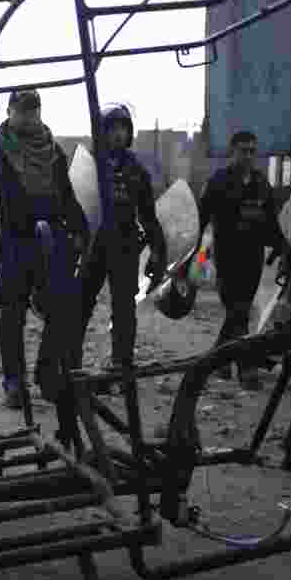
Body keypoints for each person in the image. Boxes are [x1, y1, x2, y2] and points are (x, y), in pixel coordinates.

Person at [0, 89, 88, 409]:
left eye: (33, 110)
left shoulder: (53, 151)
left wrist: (80, 231)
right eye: (21, 110)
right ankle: (14, 382)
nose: (27, 116)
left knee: (62, 309)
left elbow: (67, 197)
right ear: (9, 111)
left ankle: (48, 377)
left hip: (53, 239)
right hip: (15, 239)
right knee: (12, 312)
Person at [69, 104, 166, 391]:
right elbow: (74, 208)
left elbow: (148, 215)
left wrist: (158, 251)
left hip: (124, 246)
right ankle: (72, 364)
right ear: (102, 132)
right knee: (80, 306)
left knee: (124, 310)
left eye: (123, 128)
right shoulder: (90, 166)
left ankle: (122, 367)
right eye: (112, 129)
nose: (118, 134)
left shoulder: (136, 170)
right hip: (94, 246)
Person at [196, 130, 290, 390]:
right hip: (227, 257)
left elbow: (273, 222)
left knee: (239, 312)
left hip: (253, 257)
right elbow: (201, 218)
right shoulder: (218, 181)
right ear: (232, 152)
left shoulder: (262, 184)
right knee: (238, 311)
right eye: (243, 150)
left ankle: (219, 358)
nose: (248, 156)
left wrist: (282, 249)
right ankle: (246, 367)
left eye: (252, 151)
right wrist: (194, 255)